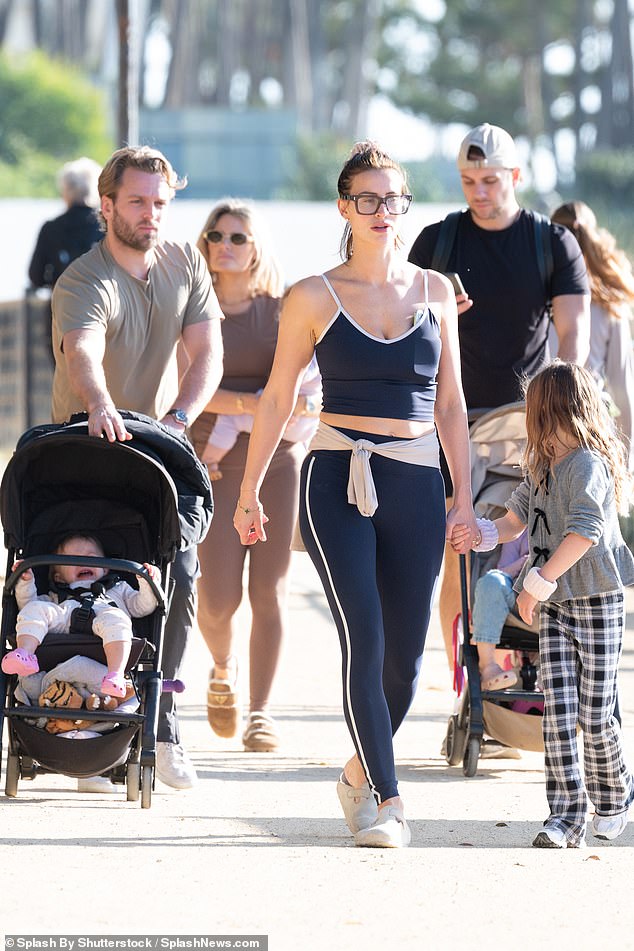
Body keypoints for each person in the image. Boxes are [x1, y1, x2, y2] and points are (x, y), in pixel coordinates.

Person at [233, 142, 477, 848]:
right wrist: (250, 488)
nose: (379, 211)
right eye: (364, 199)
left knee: (406, 661)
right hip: (336, 475)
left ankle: (355, 774)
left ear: (405, 206)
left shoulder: (435, 291)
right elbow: (278, 394)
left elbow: (452, 404)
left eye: (391, 198)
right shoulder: (313, 294)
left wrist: (463, 497)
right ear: (344, 206)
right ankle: (392, 802)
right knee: (363, 639)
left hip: (416, 477)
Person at [50, 145, 224, 791]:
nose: (151, 214)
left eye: (160, 202)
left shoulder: (184, 262)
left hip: (157, 451)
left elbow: (207, 348)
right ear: (106, 205)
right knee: (78, 589)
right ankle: (81, 730)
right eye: (137, 202)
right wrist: (99, 404)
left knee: (178, 574)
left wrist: (179, 416)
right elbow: (82, 350)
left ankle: (161, 720)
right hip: (85, 453)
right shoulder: (84, 279)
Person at [408, 122, 591, 670]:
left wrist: (564, 420)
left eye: (489, 180)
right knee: (459, 550)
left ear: (514, 176)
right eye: (468, 180)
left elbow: (574, 342)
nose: (479, 192)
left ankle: (526, 673)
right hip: (449, 419)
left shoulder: (551, 242)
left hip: (527, 422)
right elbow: (396, 326)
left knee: (532, 545)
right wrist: (433, 319)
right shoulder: (437, 241)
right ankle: (473, 685)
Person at [454, 361, 634, 848]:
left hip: (595, 600)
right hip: (557, 609)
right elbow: (516, 516)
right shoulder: (541, 467)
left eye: (534, 413)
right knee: (558, 713)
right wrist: (483, 532)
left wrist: (537, 581)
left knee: (595, 716)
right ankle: (566, 816)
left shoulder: (587, 466)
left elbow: (584, 532)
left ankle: (616, 793)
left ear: (553, 412)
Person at [189, 199, 321, 752]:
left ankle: (262, 713)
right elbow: (185, 387)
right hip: (212, 464)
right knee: (217, 599)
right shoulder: (193, 309)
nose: (225, 244)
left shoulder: (282, 309)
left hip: (278, 462)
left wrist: (256, 411)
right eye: (216, 235)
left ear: (256, 245)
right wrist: (251, 404)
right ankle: (222, 665)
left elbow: (305, 387)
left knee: (269, 589)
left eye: (237, 237)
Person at [2, 533, 159, 698]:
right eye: (74, 559)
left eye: (92, 558)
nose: (84, 561)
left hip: (105, 622)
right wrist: (25, 582)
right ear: (58, 576)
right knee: (34, 608)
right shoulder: (55, 595)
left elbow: (143, 607)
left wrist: (147, 581)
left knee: (118, 619)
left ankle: (115, 674)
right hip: (64, 619)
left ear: (105, 568)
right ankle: (25, 654)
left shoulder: (119, 589)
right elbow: (28, 608)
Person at [551, 200, 634, 467]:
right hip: (593, 430)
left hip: (543, 428)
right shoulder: (611, 304)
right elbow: (621, 386)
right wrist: (626, 460)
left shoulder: (536, 300)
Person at [28, 157, 102, 289]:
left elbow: (36, 276)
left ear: (65, 191)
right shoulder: (106, 227)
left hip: (60, 305)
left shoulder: (51, 228)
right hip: (102, 305)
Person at [471, 528, 529, 690]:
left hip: (554, 598)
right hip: (517, 596)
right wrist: (525, 562)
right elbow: (503, 572)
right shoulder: (522, 527)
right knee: (492, 581)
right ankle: (488, 665)